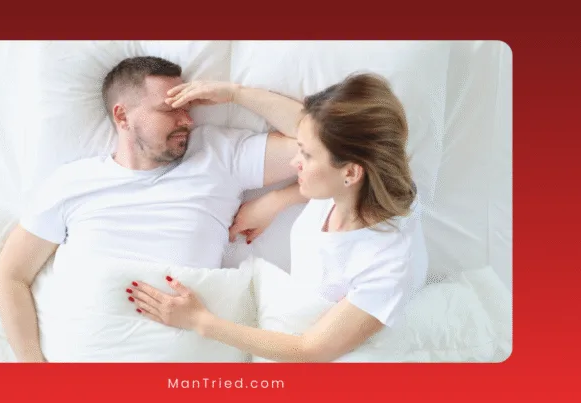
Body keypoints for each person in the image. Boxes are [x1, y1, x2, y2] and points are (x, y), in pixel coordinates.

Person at [0, 56, 302, 362]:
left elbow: (327, 144)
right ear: (123, 116)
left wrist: (237, 95)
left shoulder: (218, 154)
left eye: (188, 108)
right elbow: (11, 275)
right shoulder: (72, 183)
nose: (188, 120)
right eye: (170, 110)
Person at [127, 73, 429, 363]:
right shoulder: (357, 184)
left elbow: (310, 350)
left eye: (306, 156)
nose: (295, 161)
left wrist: (200, 321)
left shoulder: (386, 264)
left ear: (350, 172)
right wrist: (235, 94)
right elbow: (310, 127)